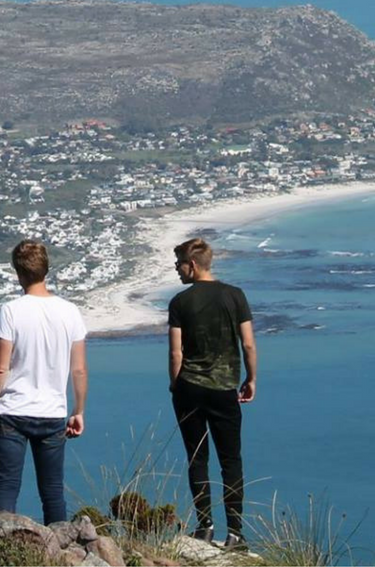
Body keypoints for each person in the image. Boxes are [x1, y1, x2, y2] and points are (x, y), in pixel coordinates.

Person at [0, 238, 89, 524]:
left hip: (12, 412)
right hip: (52, 413)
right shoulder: (70, 311)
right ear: (46, 270)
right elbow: (78, 370)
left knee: (6, 489)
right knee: (53, 492)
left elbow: (0, 367)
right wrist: (78, 411)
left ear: (19, 273)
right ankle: (63, 550)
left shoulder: (12, 310)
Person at [168, 235, 256, 549]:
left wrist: (175, 385)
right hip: (224, 389)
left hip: (189, 388)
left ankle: (204, 526)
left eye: (179, 264)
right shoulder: (235, 296)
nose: (176, 270)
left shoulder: (179, 302)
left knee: (197, 458)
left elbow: (176, 353)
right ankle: (235, 533)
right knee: (231, 460)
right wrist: (251, 378)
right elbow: (247, 343)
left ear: (192, 266)